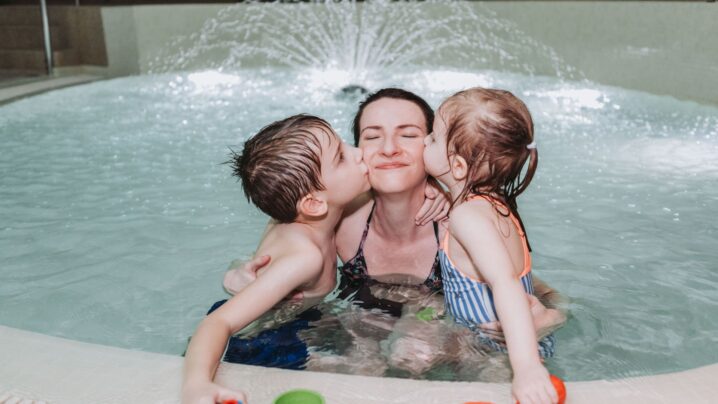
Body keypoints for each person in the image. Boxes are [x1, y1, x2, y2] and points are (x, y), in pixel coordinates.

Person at [223, 88, 565, 375]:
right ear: (356, 153)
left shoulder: (460, 221)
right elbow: (282, 235)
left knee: (424, 348)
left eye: (410, 135)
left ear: (441, 150)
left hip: (444, 339)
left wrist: (551, 317)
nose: (388, 149)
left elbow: (531, 288)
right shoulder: (338, 219)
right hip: (355, 327)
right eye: (372, 136)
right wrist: (242, 272)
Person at [182, 114, 369, 404]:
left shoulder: (292, 215)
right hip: (258, 339)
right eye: (342, 157)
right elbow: (217, 323)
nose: (359, 153)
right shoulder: (304, 256)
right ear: (314, 203)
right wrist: (197, 385)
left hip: (282, 316)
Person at [422, 87, 558, 403]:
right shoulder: (500, 207)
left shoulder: (467, 216)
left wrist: (525, 368)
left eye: (432, 138)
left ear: (456, 167)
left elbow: (504, 284)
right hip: (520, 342)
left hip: (494, 355)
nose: (424, 142)